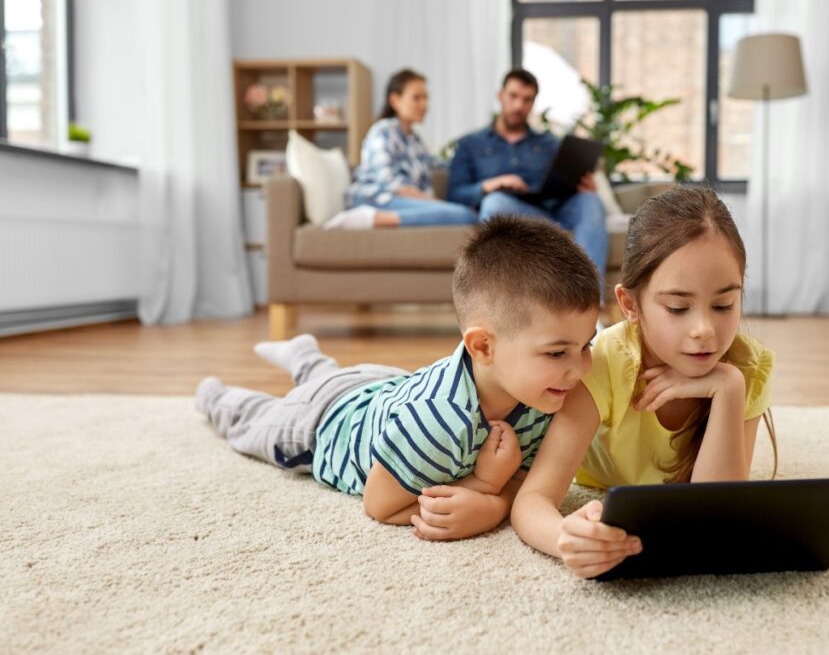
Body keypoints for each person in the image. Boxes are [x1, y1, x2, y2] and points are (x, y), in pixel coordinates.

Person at [195, 215, 600, 539]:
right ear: (483, 348)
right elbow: (379, 504)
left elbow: (530, 481)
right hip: (320, 422)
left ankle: (306, 358)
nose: (581, 368)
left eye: (586, 345)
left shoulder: (543, 393)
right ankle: (216, 396)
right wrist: (484, 490)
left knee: (332, 378)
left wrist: (496, 493)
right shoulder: (437, 422)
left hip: (381, 386)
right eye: (557, 352)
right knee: (253, 422)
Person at [491, 187, 778, 577]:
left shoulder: (747, 365)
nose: (705, 331)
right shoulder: (602, 363)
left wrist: (727, 387)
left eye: (724, 305)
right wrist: (565, 537)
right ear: (630, 305)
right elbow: (533, 499)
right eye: (677, 308)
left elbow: (715, 512)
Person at [445, 68, 608, 300]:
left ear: (533, 103)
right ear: (501, 95)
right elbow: (454, 194)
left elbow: (562, 186)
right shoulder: (470, 144)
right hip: (510, 212)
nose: (519, 105)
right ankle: (505, 302)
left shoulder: (548, 143)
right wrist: (491, 184)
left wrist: (581, 185)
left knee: (590, 201)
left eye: (527, 99)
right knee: (495, 203)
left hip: (550, 212)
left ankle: (589, 303)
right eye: (513, 96)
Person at [329, 68, 478, 229]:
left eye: (426, 98)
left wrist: (472, 162)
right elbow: (393, 185)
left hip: (400, 202)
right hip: (376, 199)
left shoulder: (415, 140)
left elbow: (441, 164)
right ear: (395, 100)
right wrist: (435, 204)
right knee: (464, 215)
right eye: (416, 98)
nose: (424, 105)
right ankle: (370, 218)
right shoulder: (382, 132)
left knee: (464, 213)